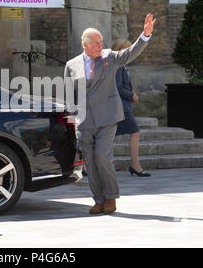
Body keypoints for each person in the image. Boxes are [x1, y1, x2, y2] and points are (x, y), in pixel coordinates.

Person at [64, 14, 156, 215]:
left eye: (101, 42)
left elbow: (131, 53)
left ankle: (111, 197)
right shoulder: (71, 65)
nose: (100, 45)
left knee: (102, 157)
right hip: (84, 121)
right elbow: (70, 95)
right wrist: (72, 119)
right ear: (85, 44)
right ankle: (99, 200)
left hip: (107, 118)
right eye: (96, 43)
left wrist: (145, 36)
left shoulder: (110, 57)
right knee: (90, 162)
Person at [112, 38, 151, 177]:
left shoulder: (120, 64)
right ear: (118, 50)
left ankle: (88, 165)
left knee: (105, 135)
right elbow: (117, 87)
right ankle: (135, 166)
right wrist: (132, 95)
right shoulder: (118, 65)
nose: (130, 53)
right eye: (127, 49)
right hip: (121, 106)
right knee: (135, 132)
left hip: (121, 106)